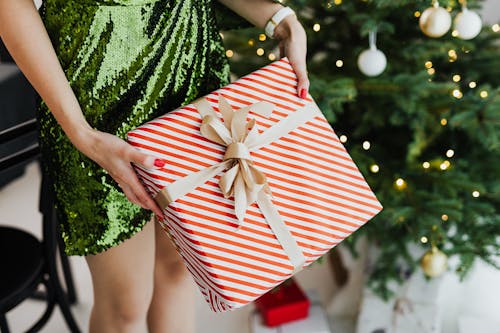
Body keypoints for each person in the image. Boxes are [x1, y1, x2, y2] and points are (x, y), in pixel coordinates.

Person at [0, 0, 309, 331]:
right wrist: (82, 133)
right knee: (124, 305)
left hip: (188, 69)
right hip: (95, 100)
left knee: (181, 269)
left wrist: (278, 18)